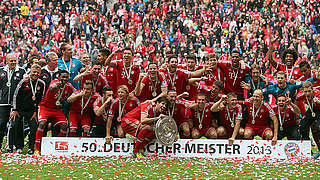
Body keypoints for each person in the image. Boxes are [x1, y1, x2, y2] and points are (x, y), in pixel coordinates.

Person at [34, 70, 75, 155]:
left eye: (66, 77)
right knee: (42, 123)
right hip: (45, 107)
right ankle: (36, 148)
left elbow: (75, 91)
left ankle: (57, 148)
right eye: (63, 77)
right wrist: (57, 86)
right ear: (59, 77)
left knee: (64, 125)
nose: (65, 79)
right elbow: (52, 87)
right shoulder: (54, 82)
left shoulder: (68, 85)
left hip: (57, 109)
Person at [9, 64, 46, 154]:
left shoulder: (41, 84)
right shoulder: (23, 82)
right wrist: (14, 109)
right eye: (34, 72)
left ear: (40, 73)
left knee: (34, 127)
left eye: (38, 72)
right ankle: (13, 146)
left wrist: (35, 111)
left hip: (31, 111)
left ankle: (31, 147)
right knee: (14, 125)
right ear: (30, 72)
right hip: (19, 109)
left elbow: (40, 99)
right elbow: (15, 96)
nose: (35, 74)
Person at [0, 53, 26, 151]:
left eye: (15, 60)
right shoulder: (1, 71)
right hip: (2, 103)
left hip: (16, 104)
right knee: (1, 124)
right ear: (6, 61)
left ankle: (19, 146)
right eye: (11, 61)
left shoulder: (22, 71)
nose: (13, 62)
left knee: (17, 125)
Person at [296, 81, 320, 150]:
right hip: (312, 109)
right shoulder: (300, 95)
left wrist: (319, 102)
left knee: (318, 128)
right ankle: (307, 150)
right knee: (302, 126)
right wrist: (298, 114)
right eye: (305, 91)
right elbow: (296, 102)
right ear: (302, 90)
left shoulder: (318, 93)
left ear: (313, 90)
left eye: (309, 91)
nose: (307, 94)